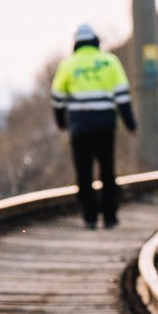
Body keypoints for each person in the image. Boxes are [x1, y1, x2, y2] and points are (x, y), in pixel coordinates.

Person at [49, 25, 135, 230]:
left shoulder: (68, 64)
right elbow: (122, 96)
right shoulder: (109, 61)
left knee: (84, 172)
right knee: (107, 170)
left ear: (76, 43)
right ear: (96, 41)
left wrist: (61, 122)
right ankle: (110, 216)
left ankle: (90, 218)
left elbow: (57, 97)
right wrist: (130, 123)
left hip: (79, 127)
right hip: (105, 125)